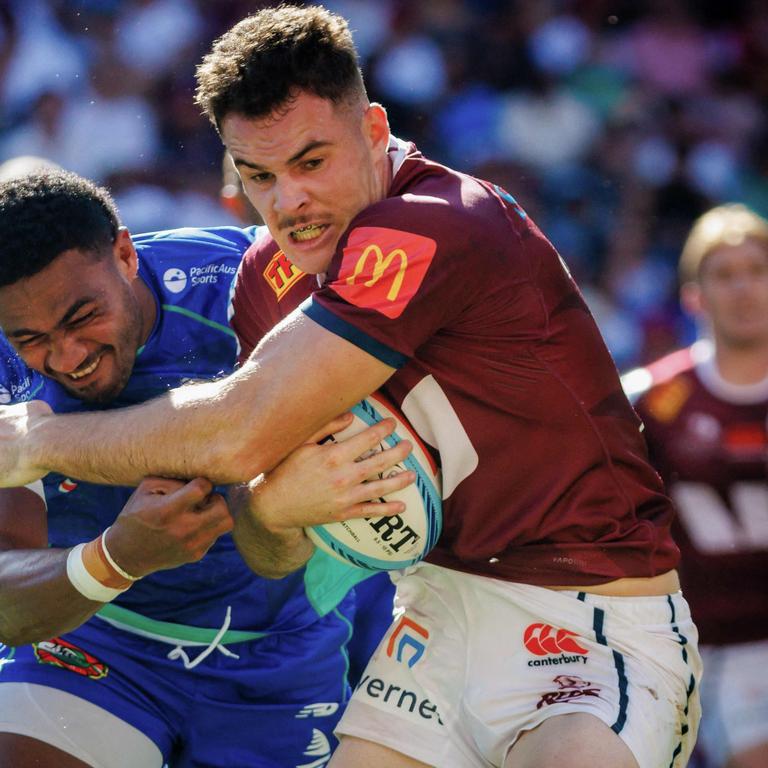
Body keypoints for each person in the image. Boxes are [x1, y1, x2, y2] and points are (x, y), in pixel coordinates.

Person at [0, 6, 702, 767]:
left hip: (585, 615)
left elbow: (241, 429)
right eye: (260, 176)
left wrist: (38, 440)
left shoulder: (442, 221)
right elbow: (274, 546)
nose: (289, 203)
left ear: (373, 130)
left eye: (311, 162)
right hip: (429, 615)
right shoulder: (263, 279)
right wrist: (271, 509)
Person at [0, 169, 414, 768]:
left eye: (81, 317)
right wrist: (117, 558)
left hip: (280, 659)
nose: (67, 356)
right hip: (100, 644)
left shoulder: (252, 284)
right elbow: (9, 605)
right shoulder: (5, 366)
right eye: (31, 337)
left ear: (124, 254)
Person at [625, 204, 768, 768]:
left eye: (757, 270)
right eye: (725, 274)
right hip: (715, 645)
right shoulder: (652, 402)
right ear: (695, 296)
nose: (743, 288)